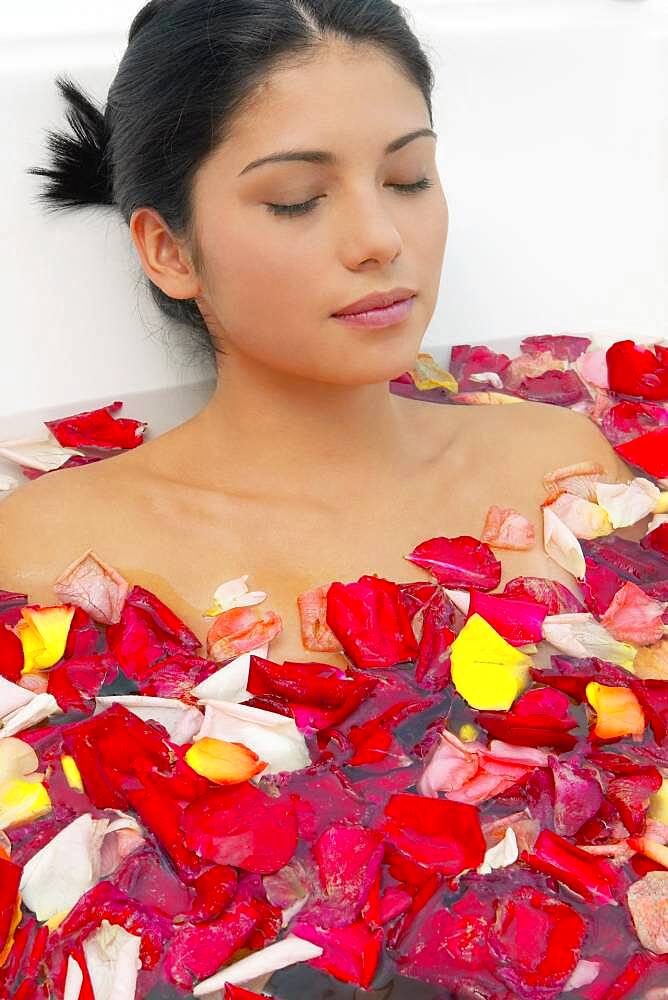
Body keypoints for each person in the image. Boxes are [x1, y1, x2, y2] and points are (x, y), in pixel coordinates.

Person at [0, 0, 635, 670]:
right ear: (171, 252)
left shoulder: (558, 468)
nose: (380, 239)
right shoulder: (55, 546)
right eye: (297, 198)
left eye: (407, 179)